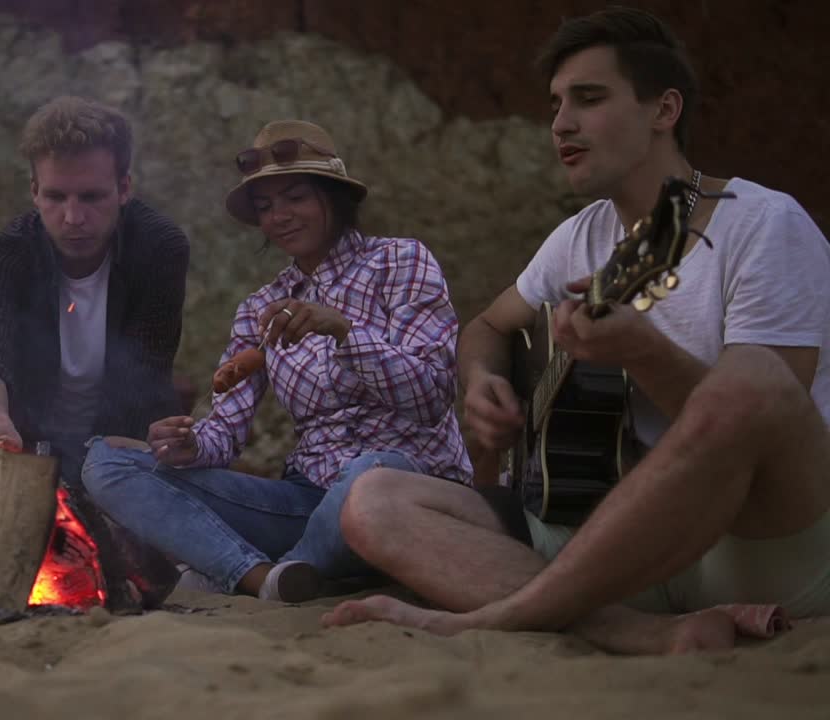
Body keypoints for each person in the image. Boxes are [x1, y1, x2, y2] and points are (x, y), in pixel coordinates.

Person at [321, 7, 830, 654]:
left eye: (589, 99)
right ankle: (644, 633)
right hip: (615, 542)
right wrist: (482, 382)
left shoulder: (763, 225)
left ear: (663, 110)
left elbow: (762, 422)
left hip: (759, 540)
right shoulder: (579, 237)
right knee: (371, 501)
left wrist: (645, 353)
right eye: (557, 104)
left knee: (754, 378)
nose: (561, 123)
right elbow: (485, 326)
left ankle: (504, 616)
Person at [81, 120, 471, 603]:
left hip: (403, 489)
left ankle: (274, 570)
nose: (279, 216)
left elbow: (432, 397)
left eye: (296, 198)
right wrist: (188, 444)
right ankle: (266, 579)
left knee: (371, 471)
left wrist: (344, 332)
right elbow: (224, 431)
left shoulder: (402, 262)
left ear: (334, 198)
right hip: (307, 500)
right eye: (265, 207)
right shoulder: (261, 307)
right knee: (107, 461)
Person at [0, 96, 189, 482]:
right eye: (56, 197)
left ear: (124, 188)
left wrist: (93, 468)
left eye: (92, 197)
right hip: (22, 449)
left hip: (122, 448)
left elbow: (142, 372)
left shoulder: (158, 247)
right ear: (34, 191)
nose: (73, 218)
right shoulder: (2, 253)